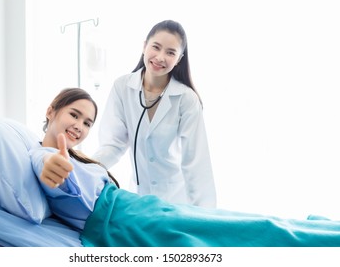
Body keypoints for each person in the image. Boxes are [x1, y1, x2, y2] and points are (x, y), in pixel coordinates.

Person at [30, 87, 340, 247]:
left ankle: (322, 231)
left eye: (87, 123)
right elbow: (46, 165)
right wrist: (52, 166)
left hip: (143, 210)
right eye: (74, 115)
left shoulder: (79, 159)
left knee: (247, 223)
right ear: (51, 110)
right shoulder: (44, 155)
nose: (80, 127)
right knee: (252, 231)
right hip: (130, 223)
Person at [92, 20, 216, 209]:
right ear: (144, 46)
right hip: (139, 198)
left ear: (179, 59)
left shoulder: (186, 99)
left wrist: (206, 216)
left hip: (177, 200)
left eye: (170, 52)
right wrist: (85, 167)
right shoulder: (122, 87)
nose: (160, 57)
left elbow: (196, 162)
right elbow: (114, 144)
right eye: (156, 47)